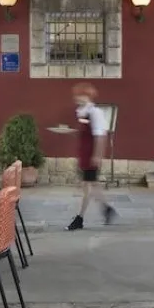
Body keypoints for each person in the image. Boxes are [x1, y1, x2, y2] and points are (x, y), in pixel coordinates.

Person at [67, 82, 117, 231]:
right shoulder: (83, 113)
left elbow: (100, 136)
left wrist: (97, 156)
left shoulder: (95, 113)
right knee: (92, 185)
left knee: (87, 186)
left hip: (90, 156)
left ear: (86, 96)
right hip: (85, 155)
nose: (76, 98)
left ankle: (80, 218)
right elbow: (85, 133)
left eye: (79, 95)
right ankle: (107, 209)